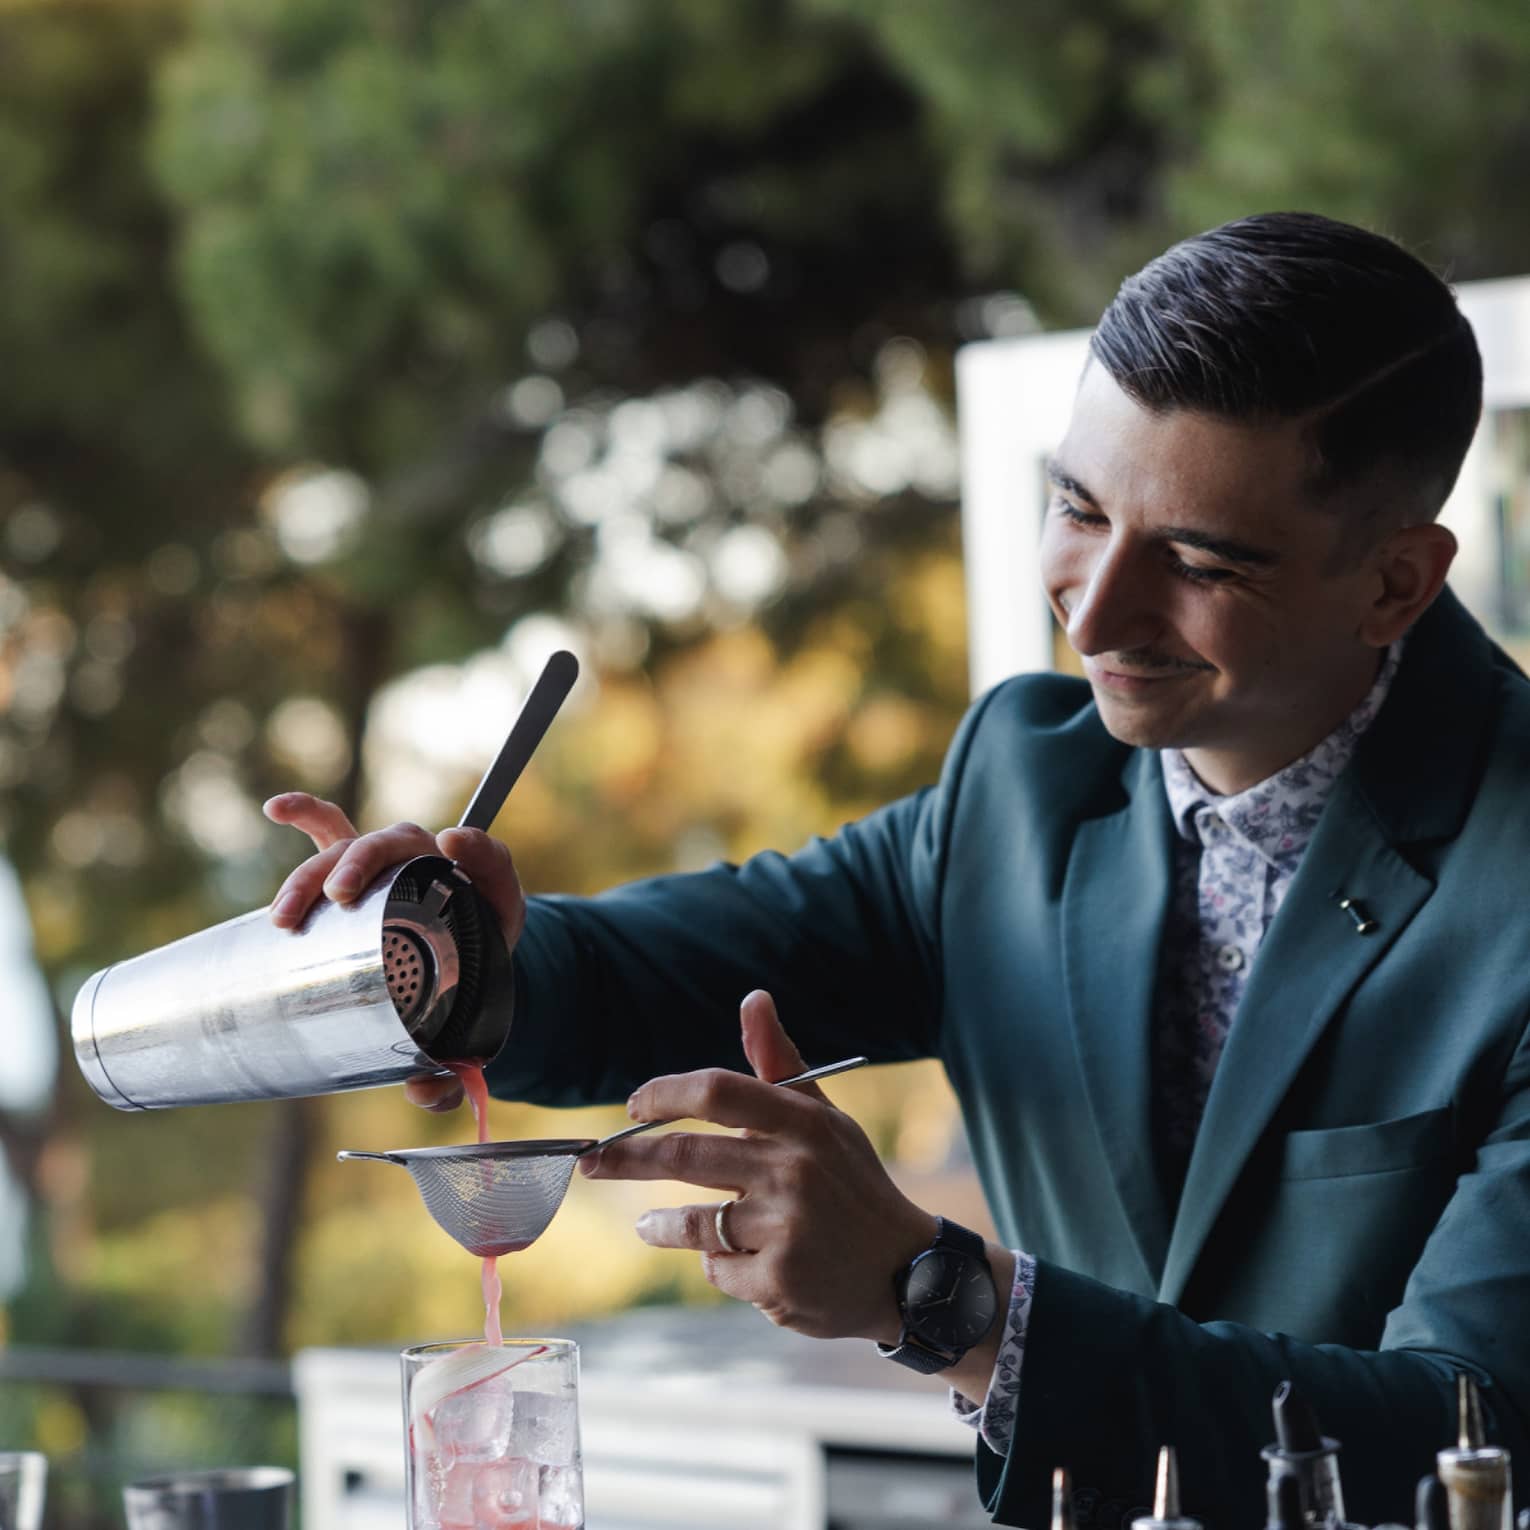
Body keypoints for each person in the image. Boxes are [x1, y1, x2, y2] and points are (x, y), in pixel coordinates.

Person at [266, 212, 1530, 1530]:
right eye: (1076, 510)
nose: (1090, 613)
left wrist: (945, 1297)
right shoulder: (1020, 784)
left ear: (1393, 582)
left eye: (1197, 561)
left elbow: (1470, 1433)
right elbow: (669, 968)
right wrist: (452, 952)